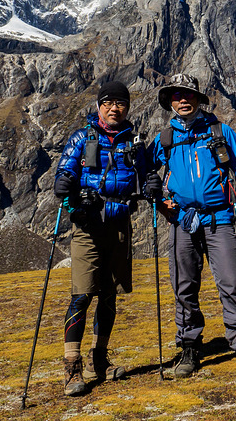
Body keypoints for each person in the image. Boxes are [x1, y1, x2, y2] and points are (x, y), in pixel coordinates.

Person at [149, 73, 236, 378]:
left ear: (199, 99)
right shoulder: (165, 139)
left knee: (230, 281)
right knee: (183, 286)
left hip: (221, 218)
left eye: (188, 95)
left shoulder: (220, 132)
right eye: (177, 96)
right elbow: (146, 174)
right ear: (170, 102)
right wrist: (160, 201)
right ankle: (189, 347)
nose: (183, 100)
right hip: (182, 220)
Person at [53, 80, 161, 396]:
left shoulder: (135, 143)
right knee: (82, 294)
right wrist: (66, 183)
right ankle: (72, 368)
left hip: (119, 226)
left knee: (109, 294)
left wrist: (153, 184)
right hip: (87, 225)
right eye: (109, 102)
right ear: (100, 105)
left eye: (121, 103)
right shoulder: (81, 138)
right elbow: (64, 172)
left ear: (128, 107)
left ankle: (98, 361)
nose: (115, 108)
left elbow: (149, 172)